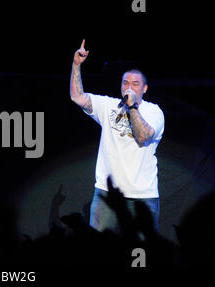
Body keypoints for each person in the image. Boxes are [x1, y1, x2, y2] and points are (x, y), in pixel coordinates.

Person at [69, 40, 165, 236]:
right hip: (107, 193)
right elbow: (77, 97)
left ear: (144, 88)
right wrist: (76, 65)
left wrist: (132, 107)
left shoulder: (154, 111)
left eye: (135, 84)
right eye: (125, 83)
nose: (129, 87)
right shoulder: (108, 105)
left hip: (142, 196)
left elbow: (142, 136)